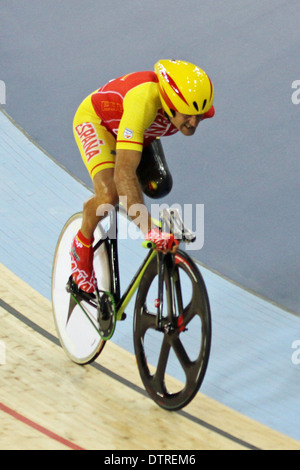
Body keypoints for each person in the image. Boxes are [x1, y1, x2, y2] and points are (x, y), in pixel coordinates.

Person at [70, 59, 215, 293]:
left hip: (139, 130)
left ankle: (142, 215)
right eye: (188, 116)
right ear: (170, 106)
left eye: (199, 116)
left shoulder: (194, 106)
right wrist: (148, 230)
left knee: (158, 186)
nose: (194, 122)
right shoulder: (142, 103)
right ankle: (80, 246)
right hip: (98, 122)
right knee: (109, 196)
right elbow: (124, 173)